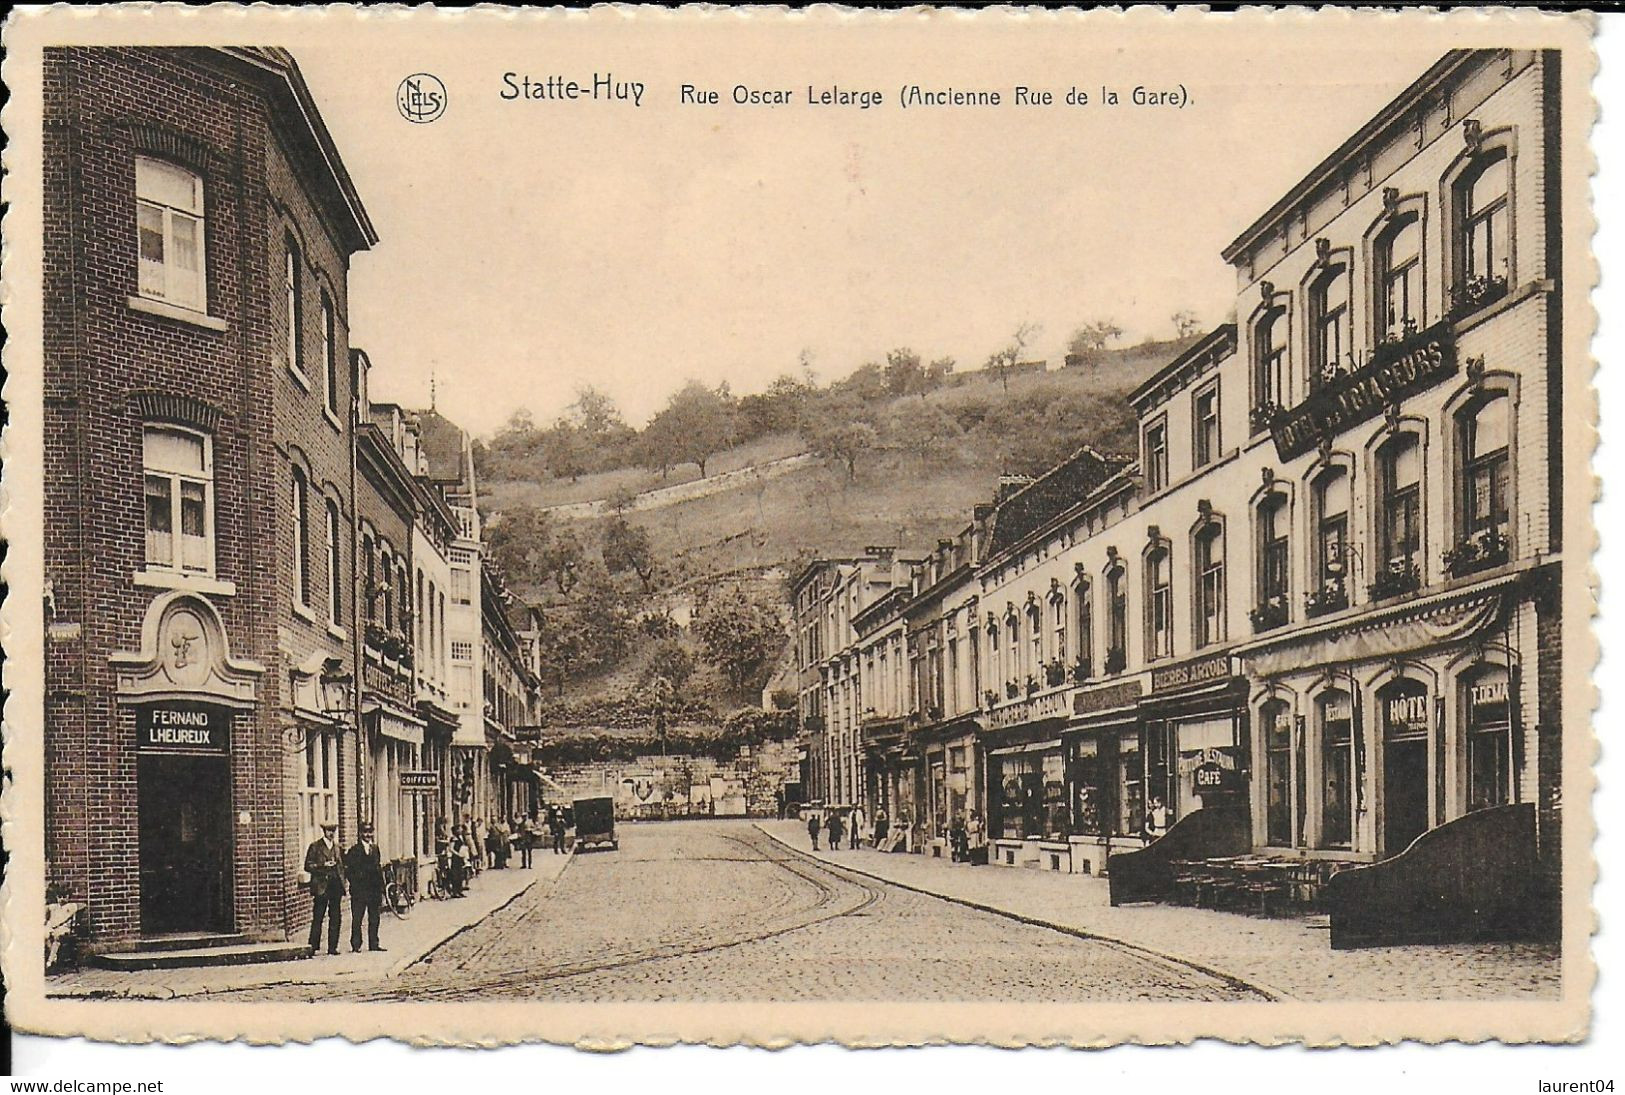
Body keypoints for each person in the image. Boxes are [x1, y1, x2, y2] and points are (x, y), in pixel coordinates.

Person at [303, 821, 346, 955]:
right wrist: (323, 865)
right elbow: (308, 866)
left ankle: (332, 947)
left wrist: (343, 878)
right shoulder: (315, 847)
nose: (331, 833)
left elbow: (342, 866)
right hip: (321, 886)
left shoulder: (338, 848)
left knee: (335, 917)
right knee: (318, 916)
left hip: (335, 886)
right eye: (329, 830)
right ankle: (313, 946)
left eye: (333, 830)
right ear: (324, 831)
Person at [344, 822, 386, 953]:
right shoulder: (354, 851)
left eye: (370, 832)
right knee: (357, 918)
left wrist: (381, 888)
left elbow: (378, 869)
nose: (368, 835)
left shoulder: (375, 849)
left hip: (373, 890)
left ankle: (374, 943)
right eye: (365, 832)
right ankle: (356, 944)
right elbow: (349, 871)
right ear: (360, 834)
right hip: (360, 891)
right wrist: (355, 884)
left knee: (374, 918)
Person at [44, 883, 84, 972]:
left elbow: (83, 905)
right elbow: (46, 911)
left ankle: (50, 962)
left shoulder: (70, 907)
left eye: (64, 897)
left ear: (68, 897)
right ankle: (53, 958)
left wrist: (77, 914)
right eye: (59, 897)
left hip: (63, 928)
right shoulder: (54, 907)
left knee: (57, 937)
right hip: (52, 927)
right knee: (46, 935)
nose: (62, 899)